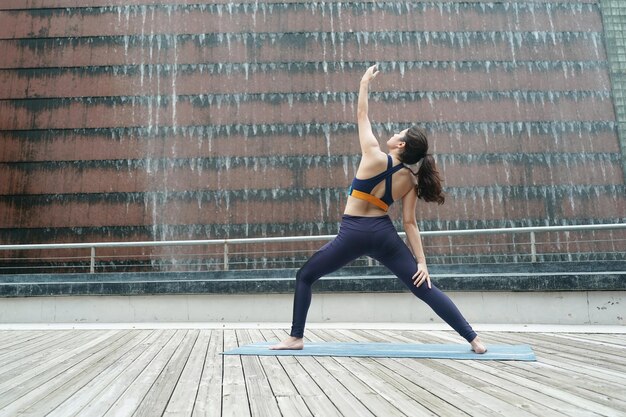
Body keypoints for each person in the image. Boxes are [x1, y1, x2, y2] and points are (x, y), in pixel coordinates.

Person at [271, 64, 486, 354]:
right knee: (424, 288)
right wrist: (422, 263)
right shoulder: (411, 180)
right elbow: (409, 223)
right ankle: (474, 339)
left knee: (305, 276)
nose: (395, 132)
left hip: (353, 233)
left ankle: (296, 337)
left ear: (400, 143)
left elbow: (362, 115)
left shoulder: (372, 154)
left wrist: (363, 84)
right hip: (383, 236)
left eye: (400, 132)